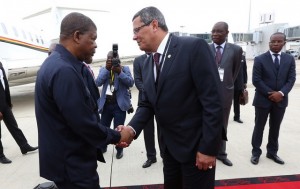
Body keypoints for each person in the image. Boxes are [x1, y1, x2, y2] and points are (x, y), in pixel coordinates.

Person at [119, 6, 224, 189]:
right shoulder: (146, 63)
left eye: (137, 30)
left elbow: (213, 102)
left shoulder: (193, 48)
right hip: (169, 150)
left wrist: (208, 149)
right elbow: (147, 104)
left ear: (154, 25)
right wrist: (131, 129)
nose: (134, 37)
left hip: (196, 150)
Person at [35, 12, 134, 189]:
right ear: (77, 36)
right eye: (93, 39)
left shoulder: (60, 64)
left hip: (68, 161)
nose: (96, 45)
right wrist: (117, 135)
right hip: (73, 166)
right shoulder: (64, 71)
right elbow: (82, 123)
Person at [250, 32, 296, 165]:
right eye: (272, 41)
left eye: (278, 41)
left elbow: (291, 79)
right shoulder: (259, 59)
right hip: (262, 100)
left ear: (284, 43)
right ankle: (256, 152)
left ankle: (272, 152)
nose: (275, 44)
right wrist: (272, 94)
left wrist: (281, 93)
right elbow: (256, 80)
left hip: (281, 101)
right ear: (269, 42)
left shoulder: (289, 59)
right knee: (259, 127)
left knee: (275, 127)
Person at [210, 21, 243, 167]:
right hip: (206, 95)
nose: (215, 34)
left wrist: (227, 86)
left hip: (225, 94)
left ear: (227, 33)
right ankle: (207, 151)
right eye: (213, 31)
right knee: (205, 124)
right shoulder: (205, 48)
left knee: (223, 125)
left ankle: (221, 154)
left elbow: (235, 72)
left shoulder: (236, 50)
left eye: (219, 31)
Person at [95, 50, 134, 159]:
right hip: (106, 105)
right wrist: (107, 70)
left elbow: (130, 83)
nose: (111, 61)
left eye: (113, 59)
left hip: (119, 105)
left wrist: (120, 72)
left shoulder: (124, 69)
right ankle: (103, 147)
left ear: (118, 59)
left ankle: (119, 149)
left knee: (119, 130)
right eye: (109, 59)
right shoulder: (103, 69)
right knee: (103, 128)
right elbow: (97, 83)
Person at [0, 62, 38, 164]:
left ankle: (24, 146)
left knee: (13, 126)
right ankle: (1, 155)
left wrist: (8, 102)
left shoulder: (0, 65)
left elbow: (5, 86)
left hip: (4, 102)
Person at [133, 53, 161, 168]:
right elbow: (137, 80)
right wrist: (149, 91)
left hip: (161, 100)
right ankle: (151, 157)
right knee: (148, 131)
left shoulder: (161, 57)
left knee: (163, 129)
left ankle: (165, 155)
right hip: (146, 100)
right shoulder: (138, 60)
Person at [233, 53, 248, 123]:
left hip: (239, 83)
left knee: (236, 101)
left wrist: (245, 82)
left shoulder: (242, 57)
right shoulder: (227, 55)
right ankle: (222, 117)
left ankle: (237, 117)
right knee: (225, 102)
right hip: (227, 83)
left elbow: (244, 70)